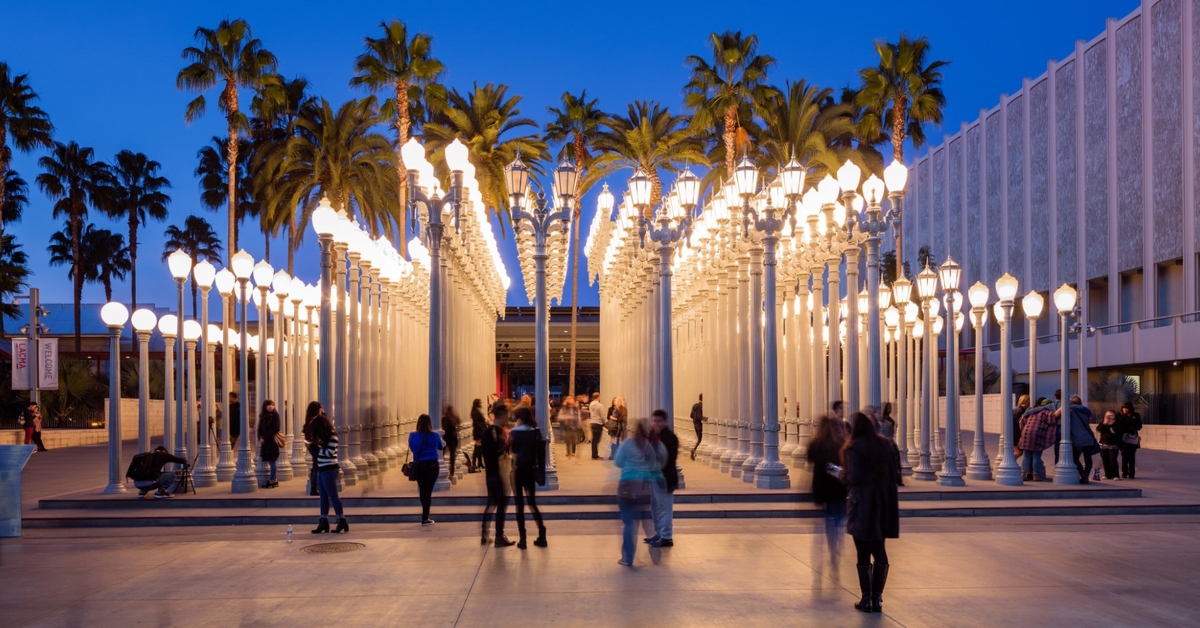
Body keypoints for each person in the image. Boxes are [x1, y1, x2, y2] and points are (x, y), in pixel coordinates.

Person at [843, 412, 899, 614]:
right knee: (880, 550)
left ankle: (867, 599)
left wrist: (841, 475)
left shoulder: (854, 447)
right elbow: (893, 475)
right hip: (882, 503)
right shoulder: (885, 445)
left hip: (863, 505)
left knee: (863, 551)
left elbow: (855, 478)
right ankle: (877, 599)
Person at [614, 417, 665, 567]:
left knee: (629, 524)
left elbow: (618, 462)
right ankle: (655, 553)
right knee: (648, 523)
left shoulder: (628, 443)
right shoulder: (648, 446)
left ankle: (627, 558)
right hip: (644, 488)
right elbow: (654, 464)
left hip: (627, 487)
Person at [806, 415, 848, 564]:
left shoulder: (816, 442)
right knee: (839, 515)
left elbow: (809, 459)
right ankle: (837, 542)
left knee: (829, 516)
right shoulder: (840, 443)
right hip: (838, 483)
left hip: (823, 483)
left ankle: (832, 545)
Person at [509, 406, 548, 549]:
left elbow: (512, 450)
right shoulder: (536, 432)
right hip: (531, 471)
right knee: (532, 503)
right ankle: (542, 534)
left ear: (519, 418)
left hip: (519, 471)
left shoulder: (514, 432)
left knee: (519, 506)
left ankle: (523, 538)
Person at [480, 403, 513, 547]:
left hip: (490, 473)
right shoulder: (497, 432)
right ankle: (499, 535)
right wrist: (508, 443)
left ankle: (485, 533)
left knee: (491, 504)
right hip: (500, 472)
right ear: (503, 416)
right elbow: (498, 451)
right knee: (502, 505)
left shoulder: (488, 431)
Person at [310, 408, 348, 533]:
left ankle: (341, 520)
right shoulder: (324, 437)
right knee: (323, 497)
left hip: (329, 469)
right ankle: (323, 521)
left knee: (333, 496)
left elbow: (329, 453)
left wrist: (318, 447)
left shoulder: (332, 436)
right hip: (322, 469)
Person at [647, 409, 678, 548]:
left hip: (665, 478)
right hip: (654, 477)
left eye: (658, 421)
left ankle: (666, 537)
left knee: (664, 508)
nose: (655, 424)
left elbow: (668, 459)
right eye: (653, 421)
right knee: (655, 507)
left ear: (665, 422)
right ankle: (659, 533)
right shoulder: (652, 436)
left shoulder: (670, 437)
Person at [409, 414, 445, 526]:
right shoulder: (435, 435)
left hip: (419, 465)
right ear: (430, 423)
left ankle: (425, 515)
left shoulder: (412, 435)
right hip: (432, 465)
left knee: (422, 489)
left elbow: (411, 448)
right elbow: (440, 447)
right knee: (428, 491)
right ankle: (425, 517)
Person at [1061, 396, 1098, 484]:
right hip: (1088, 438)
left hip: (1077, 439)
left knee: (1074, 458)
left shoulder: (1070, 411)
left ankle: (1082, 474)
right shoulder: (1086, 411)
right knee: (1088, 458)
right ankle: (1086, 476)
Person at [1018, 403, 1057, 481]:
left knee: (1026, 456)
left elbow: (1021, 422)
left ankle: (1023, 474)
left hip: (1026, 434)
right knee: (1036, 456)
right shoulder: (1046, 412)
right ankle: (1035, 475)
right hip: (1038, 434)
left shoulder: (1031, 412)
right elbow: (1052, 420)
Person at [256, 399, 281, 489]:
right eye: (268, 405)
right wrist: (260, 438)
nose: (271, 406)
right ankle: (274, 480)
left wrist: (265, 438)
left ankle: (271, 481)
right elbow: (259, 429)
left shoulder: (275, 415)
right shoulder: (262, 417)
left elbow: (276, 428)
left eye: (272, 405)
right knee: (271, 461)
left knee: (272, 461)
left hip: (272, 442)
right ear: (265, 406)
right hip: (265, 443)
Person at [302, 402, 325, 497]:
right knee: (317, 466)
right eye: (321, 408)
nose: (322, 409)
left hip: (311, 445)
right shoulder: (315, 420)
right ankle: (314, 488)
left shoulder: (309, 419)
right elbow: (324, 426)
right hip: (315, 445)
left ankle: (314, 487)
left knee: (316, 465)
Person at [1115, 402, 1142, 479]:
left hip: (1132, 439)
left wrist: (1131, 426)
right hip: (1122, 438)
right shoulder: (1119, 416)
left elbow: (1139, 426)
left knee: (1131, 456)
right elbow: (1118, 425)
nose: (1125, 410)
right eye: (1123, 408)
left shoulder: (1135, 415)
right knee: (1124, 456)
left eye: (1127, 408)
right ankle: (1124, 472)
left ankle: (1131, 473)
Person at [1096, 411, 1121, 480]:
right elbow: (1098, 429)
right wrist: (1104, 423)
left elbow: (1118, 431)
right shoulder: (1104, 422)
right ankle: (1107, 474)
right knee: (1105, 459)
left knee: (1112, 459)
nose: (1109, 417)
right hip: (1104, 444)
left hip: (1113, 444)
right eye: (1108, 415)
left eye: (1111, 415)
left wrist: (1111, 425)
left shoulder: (1117, 423)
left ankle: (1115, 475)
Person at [559, 398, 582, 462]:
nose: (570, 400)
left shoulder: (576, 409)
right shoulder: (564, 409)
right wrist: (567, 417)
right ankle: (569, 455)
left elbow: (579, 417)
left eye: (571, 399)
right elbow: (560, 417)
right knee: (568, 441)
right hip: (567, 427)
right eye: (568, 399)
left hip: (575, 427)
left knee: (575, 441)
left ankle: (574, 454)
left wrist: (579, 425)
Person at [442, 404, 461, 477]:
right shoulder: (453, 418)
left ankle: (445, 468)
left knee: (442, 453)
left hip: (446, 438)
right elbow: (458, 422)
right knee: (452, 456)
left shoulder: (444, 418)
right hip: (452, 439)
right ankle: (451, 471)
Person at [470, 398, 488, 473]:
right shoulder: (475, 411)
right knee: (478, 447)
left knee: (478, 447)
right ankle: (475, 462)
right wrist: (483, 427)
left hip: (479, 431)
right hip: (478, 431)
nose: (481, 404)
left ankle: (478, 462)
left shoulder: (476, 410)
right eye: (480, 402)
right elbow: (476, 422)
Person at [589, 393, 605, 459]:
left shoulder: (591, 404)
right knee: (597, 440)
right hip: (598, 423)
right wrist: (605, 422)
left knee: (594, 440)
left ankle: (594, 454)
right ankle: (595, 455)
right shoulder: (599, 405)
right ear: (598, 397)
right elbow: (602, 415)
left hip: (592, 422)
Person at [689, 394, 704, 460]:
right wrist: (706, 418)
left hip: (695, 424)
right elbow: (699, 416)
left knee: (699, 439)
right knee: (700, 440)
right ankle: (694, 450)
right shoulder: (701, 406)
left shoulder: (694, 406)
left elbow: (691, 415)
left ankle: (694, 451)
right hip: (700, 425)